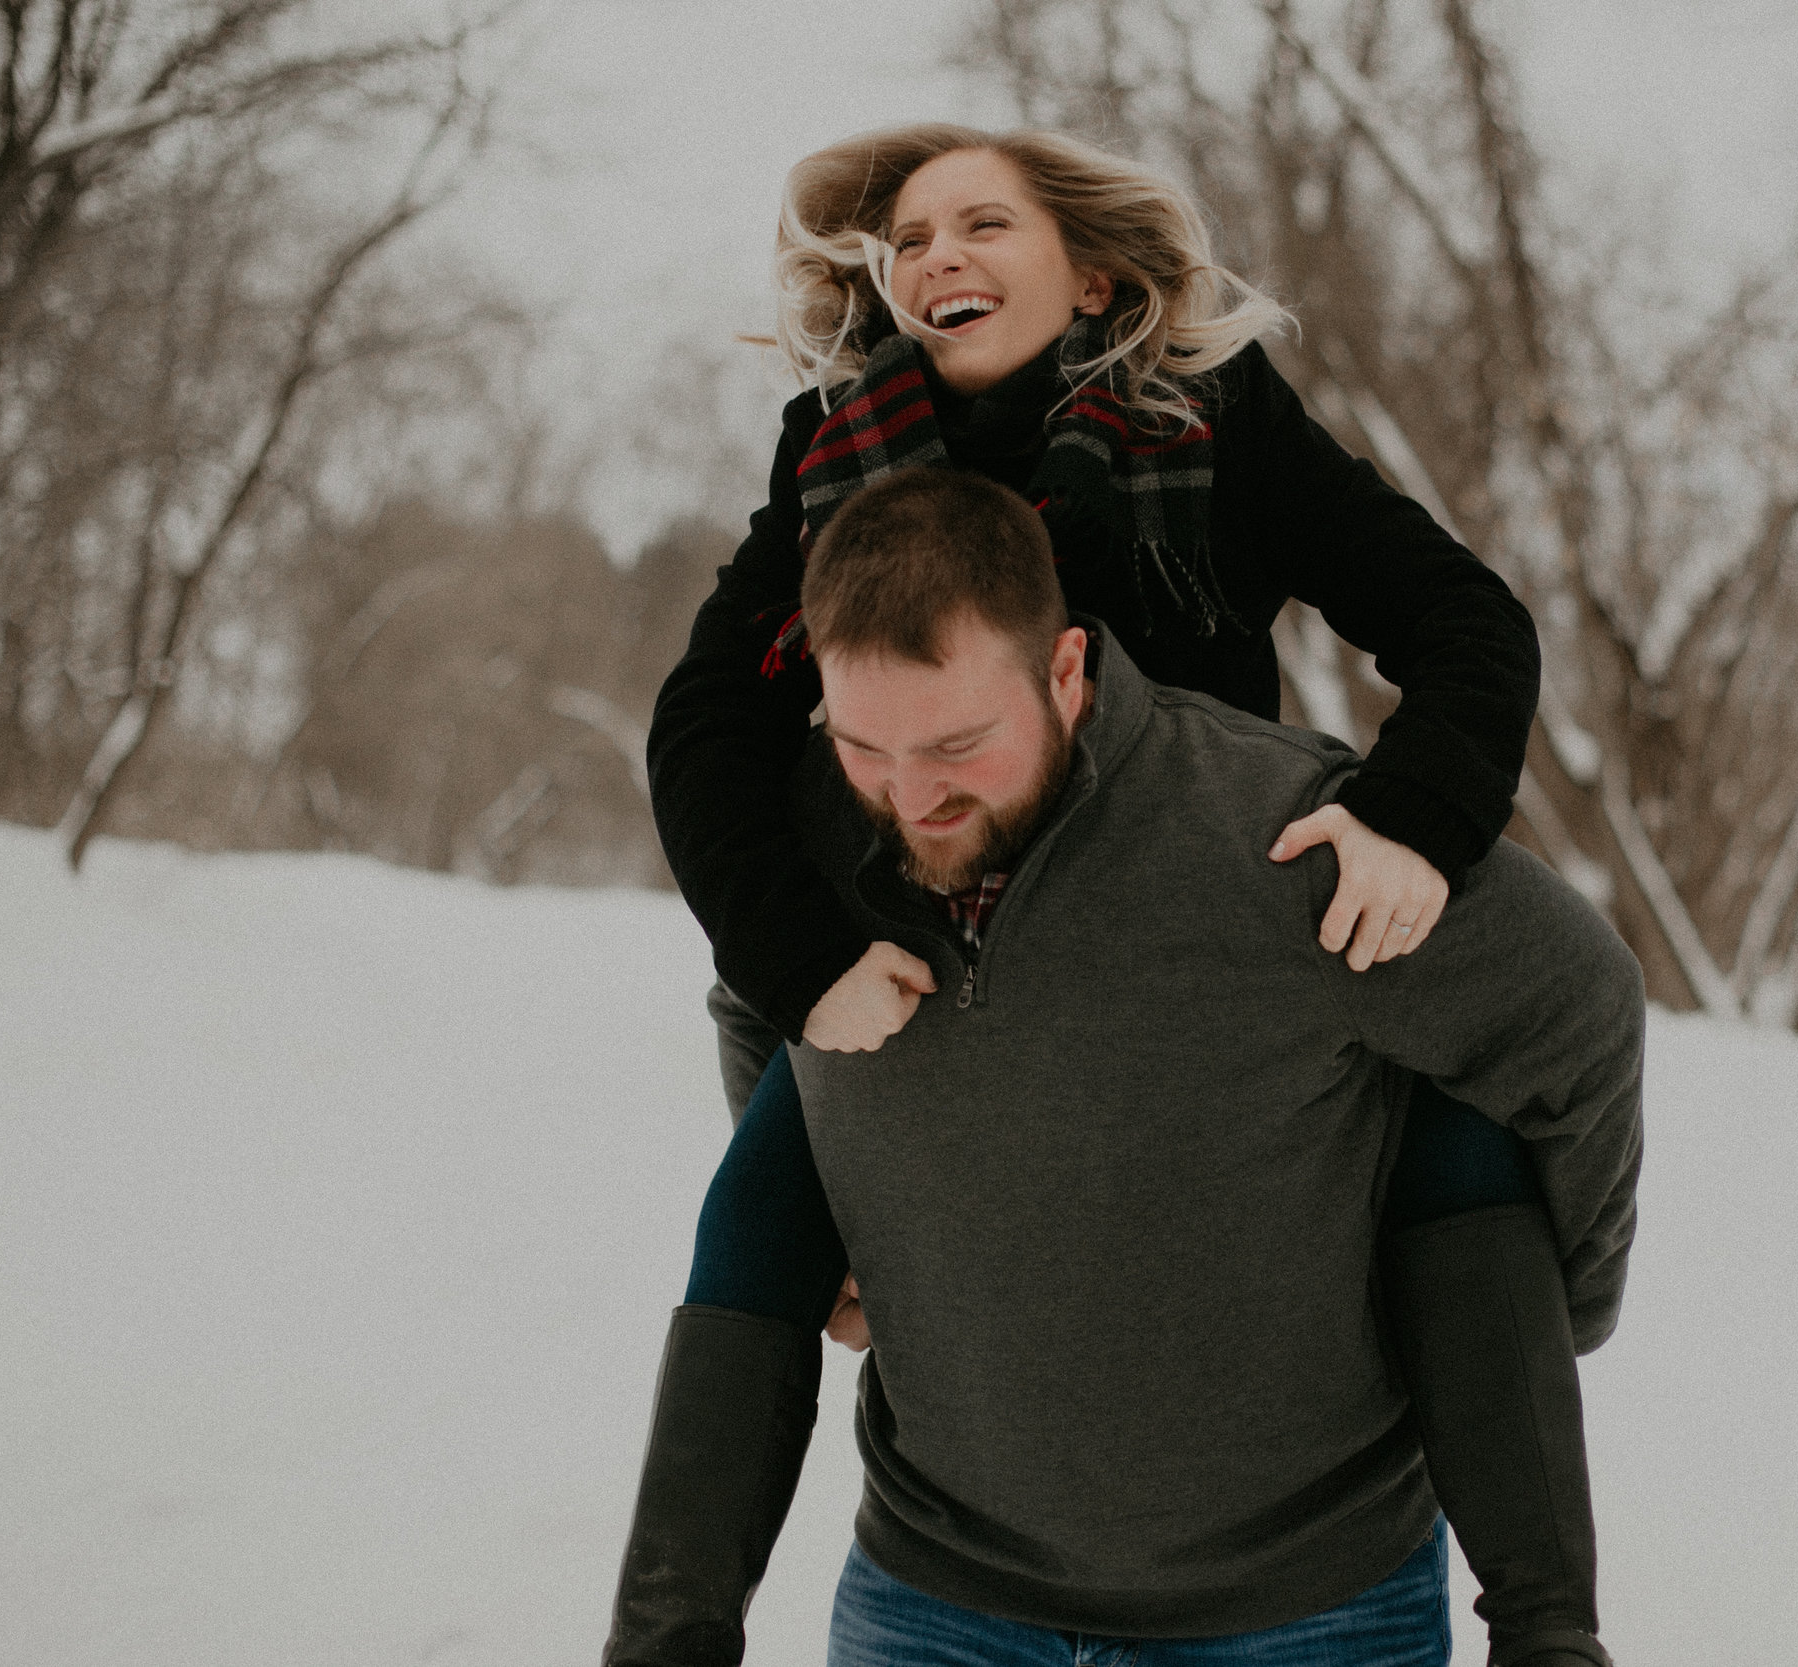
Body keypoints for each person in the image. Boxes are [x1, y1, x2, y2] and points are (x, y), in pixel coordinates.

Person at [609, 125, 1631, 1665]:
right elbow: (705, 731)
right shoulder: (835, 448)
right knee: (781, 1150)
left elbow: (1463, 622)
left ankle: (1548, 1628)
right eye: (908, 240)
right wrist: (805, 953)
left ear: (1090, 266)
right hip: (932, 908)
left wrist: (1407, 824)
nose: (935, 255)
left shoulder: (1207, 418)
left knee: (1440, 1111)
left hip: (1211, 917)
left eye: (981, 223)